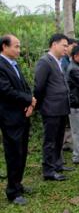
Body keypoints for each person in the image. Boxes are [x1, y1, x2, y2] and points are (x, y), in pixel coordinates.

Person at [0, 34, 36, 205]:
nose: (18, 50)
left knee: (21, 151)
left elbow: (24, 86)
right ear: (4, 47)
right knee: (13, 153)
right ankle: (12, 192)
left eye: (19, 46)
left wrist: (30, 103)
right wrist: (28, 100)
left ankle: (18, 184)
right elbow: (6, 91)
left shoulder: (13, 64)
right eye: (16, 46)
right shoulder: (1, 65)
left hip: (22, 114)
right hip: (10, 117)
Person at [34, 33, 74, 181]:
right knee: (50, 140)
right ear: (54, 44)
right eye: (64, 45)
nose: (66, 48)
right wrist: (41, 105)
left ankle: (58, 164)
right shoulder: (45, 62)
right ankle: (48, 170)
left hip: (61, 107)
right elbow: (39, 87)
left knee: (58, 139)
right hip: (51, 108)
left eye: (67, 46)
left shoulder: (58, 61)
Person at [62, 38, 79, 152]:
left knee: (69, 122)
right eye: (72, 47)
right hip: (65, 95)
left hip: (72, 95)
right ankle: (64, 143)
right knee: (65, 122)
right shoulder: (63, 61)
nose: (74, 49)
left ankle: (68, 142)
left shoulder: (69, 60)